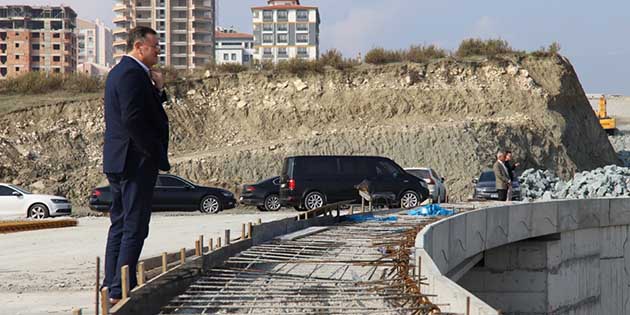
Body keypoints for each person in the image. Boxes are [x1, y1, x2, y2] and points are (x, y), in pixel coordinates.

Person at [102, 26, 170, 305]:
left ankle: (111, 283)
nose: (158, 52)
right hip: (134, 160)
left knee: (120, 223)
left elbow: (142, 110)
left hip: (120, 158)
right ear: (140, 47)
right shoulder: (131, 73)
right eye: (155, 47)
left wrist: (159, 89)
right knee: (135, 225)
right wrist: (150, 151)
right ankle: (119, 288)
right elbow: (132, 119)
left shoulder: (121, 72)